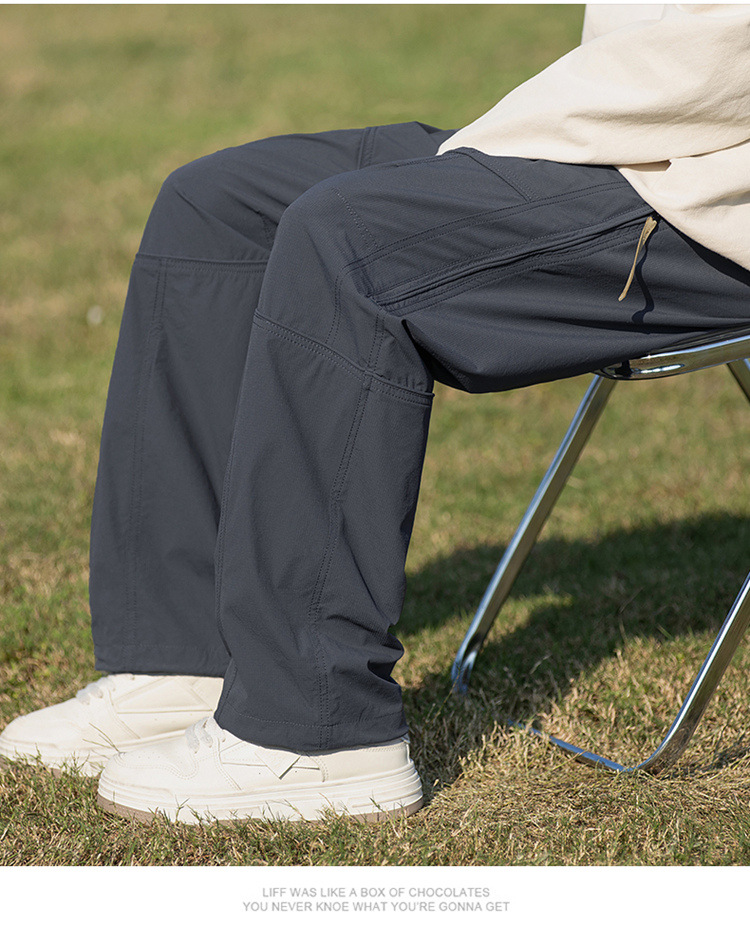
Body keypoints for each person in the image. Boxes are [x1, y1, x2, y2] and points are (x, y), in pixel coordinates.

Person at [1, 4, 749, 823]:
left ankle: (319, 731)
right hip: (612, 128)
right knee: (214, 209)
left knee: (345, 242)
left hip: (706, 189)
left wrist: (535, 126)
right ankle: (183, 659)